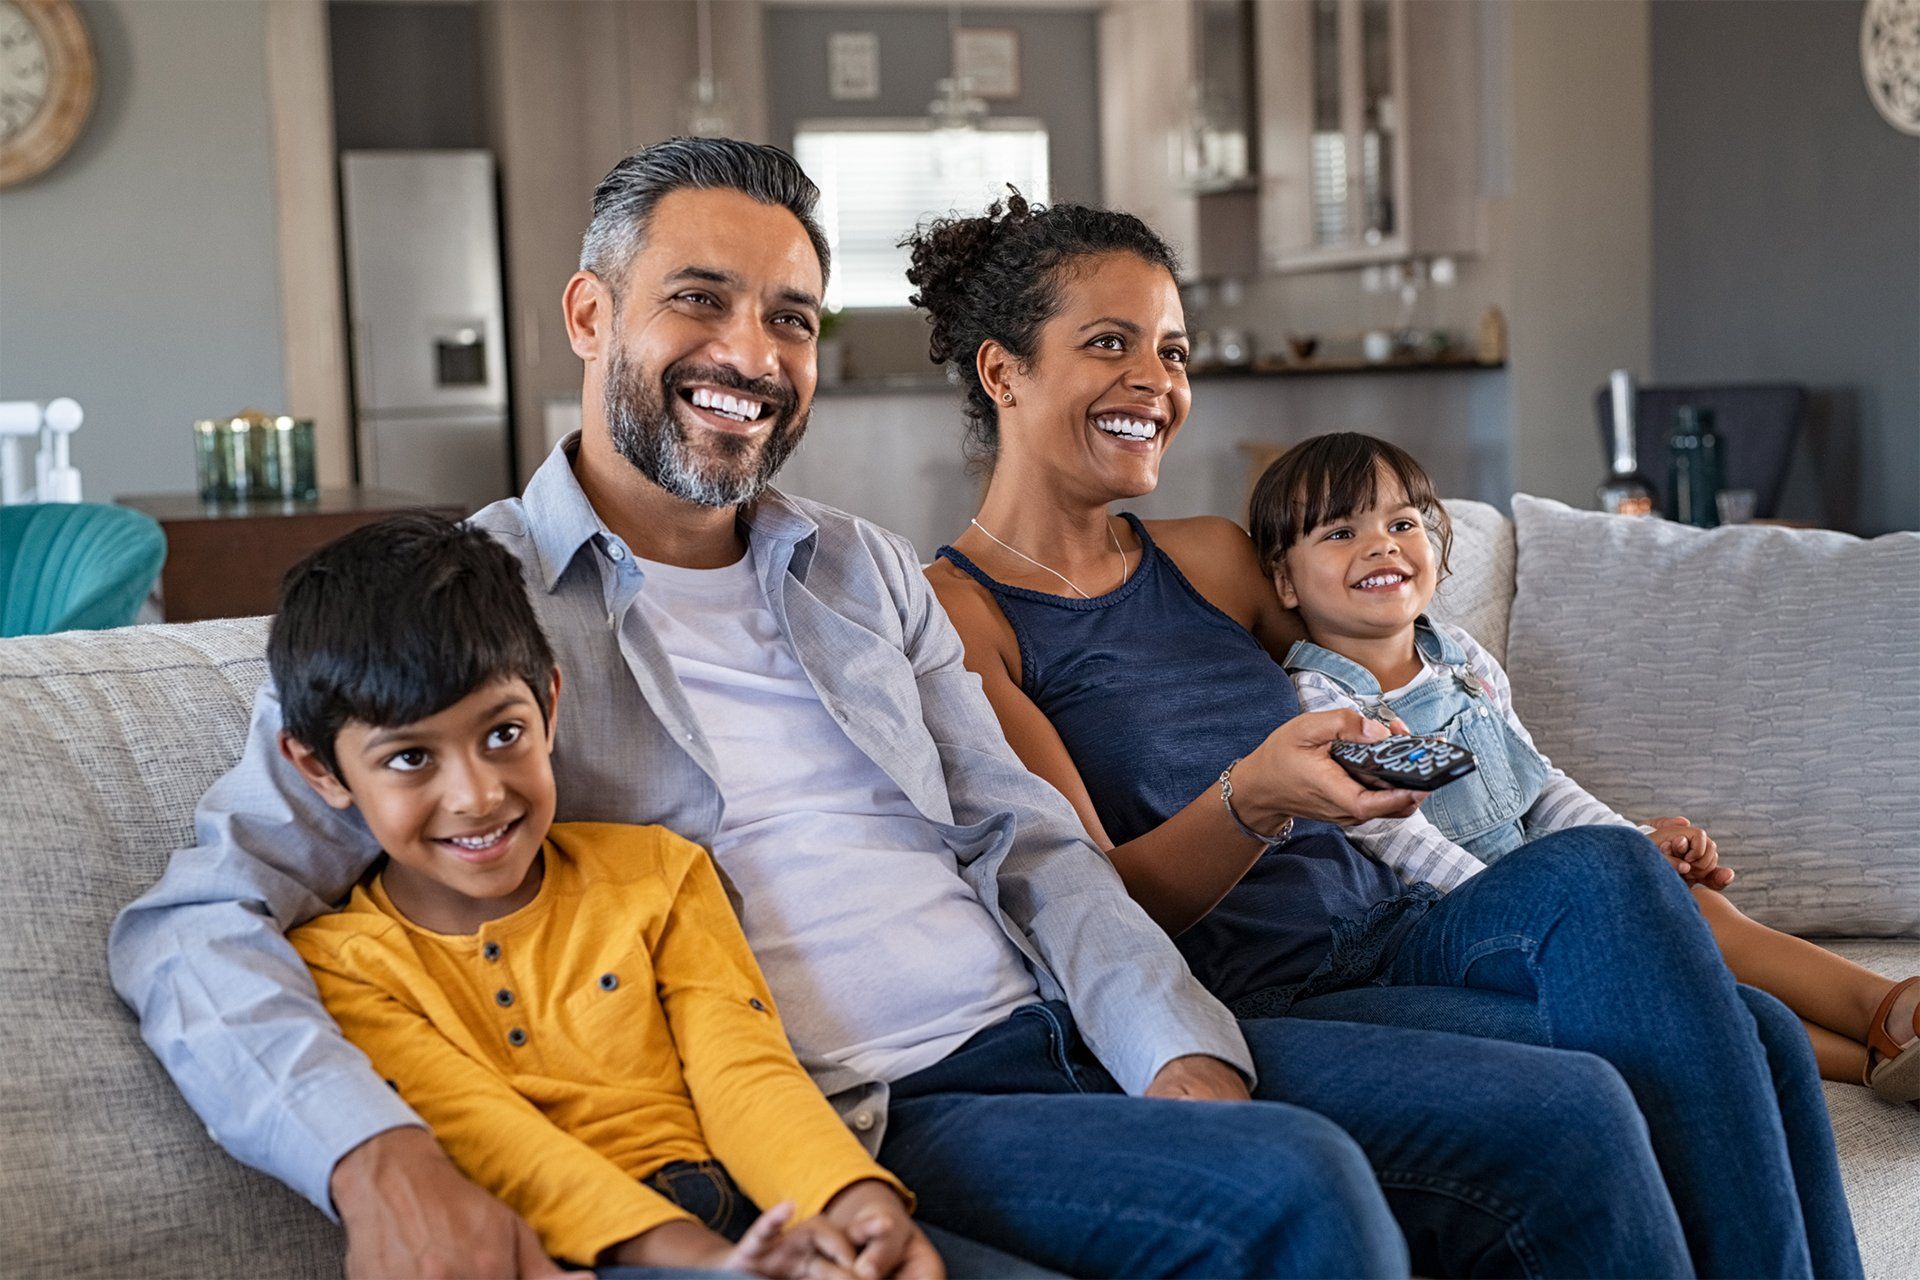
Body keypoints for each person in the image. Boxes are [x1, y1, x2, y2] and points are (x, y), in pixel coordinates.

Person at [104, 137, 1659, 1280]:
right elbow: (192, 925)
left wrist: (1176, 1058)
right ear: (590, 319)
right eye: (699, 302)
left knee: (1571, 1122)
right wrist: (373, 1159)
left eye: (789, 317)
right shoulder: (458, 613)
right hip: (873, 1106)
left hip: (1064, 1032)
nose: (752, 356)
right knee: (1291, 1194)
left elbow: (1030, 842)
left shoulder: (850, 567)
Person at [914, 191, 1864, 1279]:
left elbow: (1406, 686)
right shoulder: (964, 614)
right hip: (1246, 992)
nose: (1157, 381)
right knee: (1715, 1052)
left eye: (1173, 350)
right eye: (1110, 343)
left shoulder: (1214, 556)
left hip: (1403, 927)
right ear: (1004, 371)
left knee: (1675, 938)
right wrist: (1253, 797)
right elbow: (1088, 906)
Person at [270, 511, 934, 1278]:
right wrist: (710, 1266)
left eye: (501, 735)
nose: (477, 797)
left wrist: (848, 1202)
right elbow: (500, 1147)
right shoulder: (343, 965)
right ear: (320, 770)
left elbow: (744, 1071)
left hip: (750, 1209)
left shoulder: (659, 872)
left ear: (549, 705)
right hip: (600, 1249)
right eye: (412, 757)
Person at [1250, 430, 1920, 1105]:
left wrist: (1630, 850)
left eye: (1402, 523)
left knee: (1688, 904)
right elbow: (1401, 845)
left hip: (1533, 885)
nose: (1383, 545)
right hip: (1442, 926)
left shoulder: (1460, 660)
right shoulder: (1319, 700)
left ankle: (1887, 1028)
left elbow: (1539, 785)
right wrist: (1561, 909)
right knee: (1644, 954)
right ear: (1283, 579)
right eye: (1340, 532)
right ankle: (1876, 1042)